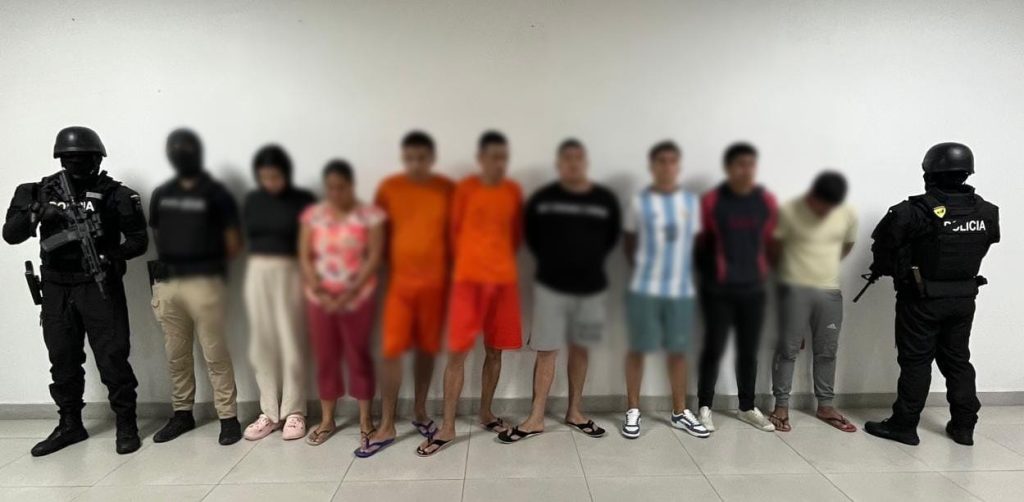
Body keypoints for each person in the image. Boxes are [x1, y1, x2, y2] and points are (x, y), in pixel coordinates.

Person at [3, 126, 148, 456]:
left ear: (98, 159)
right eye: (71, 159)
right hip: (56, 287)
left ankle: (126, 423)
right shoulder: (36, 191)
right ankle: (70, 424)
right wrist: (36, 213)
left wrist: (110, 256)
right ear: (60, 159)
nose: (78, 165)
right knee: (62, 358)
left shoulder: (116, 194)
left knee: (112, 357)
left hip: (98, 285)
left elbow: (139, 240)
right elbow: (10, 235)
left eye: (85, 159)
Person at [864, 143, 999, 446]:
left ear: (930, 173)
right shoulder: (986, 212)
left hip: (921, 299)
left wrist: (894, 268)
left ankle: (903, 425)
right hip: (963, 298)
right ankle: (964, 425)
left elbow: (884, 250)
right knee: (958, 361)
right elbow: (985, 243)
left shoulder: (912, 211)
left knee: (916, 361)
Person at [498, 138, 620, 444]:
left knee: (580, 348)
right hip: (550, 287)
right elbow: (532, 238)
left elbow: (610, 239)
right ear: (559, 164)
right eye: (567, 158)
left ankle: (575, 412)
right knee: (546, 351)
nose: (573, 163)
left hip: (591, 288)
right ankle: (535, 418)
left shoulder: (604, 199)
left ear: (585, 162)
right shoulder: (543, 199)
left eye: (578, 158)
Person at [417, 130, 523, 456]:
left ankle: (486, 412)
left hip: (503, 282)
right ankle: (448, 426)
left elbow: (515, 235)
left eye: (503, 157)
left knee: (495, 351)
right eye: (492, 156)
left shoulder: (513, 191)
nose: (498, 162)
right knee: (457, 354)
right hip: (467, 282)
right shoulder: (465, 189)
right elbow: (452, 234)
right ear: (481, 158)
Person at [149, 128, 244, 446]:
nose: (181, 155)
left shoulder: (216, 194)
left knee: (215, 355)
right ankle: (182, 414)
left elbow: (233, 243)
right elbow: (159, 237)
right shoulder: (161, 193)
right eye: (175, 149)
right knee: (176, 355)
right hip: (168, 284)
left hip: (205, 283)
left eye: (186, 149)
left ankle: (228, 417)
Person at [362, 131, 453, 456]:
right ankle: (387, 423)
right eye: (410, 158)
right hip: (399, 284)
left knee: (427, 349)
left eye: (422, 158)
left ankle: (420, 411)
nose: (416, 164)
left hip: (436, 285)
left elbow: (456, 234)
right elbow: (376, 236)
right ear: (404, 157)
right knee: (392, 351)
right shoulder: (389, 188)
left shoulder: (447, 188)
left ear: (431, 158)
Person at [620, 141, 709, 439]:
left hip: (680, 291)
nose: (667, 166)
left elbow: (694, 244)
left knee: (678, 351)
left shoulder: (690, 203)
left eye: (672, 161)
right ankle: (633, 409)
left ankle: (679, 411)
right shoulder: (638, 202)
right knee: (637, 348)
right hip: (644, 288)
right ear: (652, 166)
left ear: (678, 165)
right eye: (661, 161)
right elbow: (629, 244)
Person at [299, 160, 385, 452]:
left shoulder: (369, 216)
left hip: (358, 297)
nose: (336, 193)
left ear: (351, 185)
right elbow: (305, 257)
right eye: (331, 188)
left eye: (341, 187)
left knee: (358, 355)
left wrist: (349, 293)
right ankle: (327, 420)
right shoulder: (313, 216)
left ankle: (365, 421)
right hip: (320, 299)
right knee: (326, 357)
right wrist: (321, 291)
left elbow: (374, 257)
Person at [695, 142, 778, 432]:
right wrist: (710, 279)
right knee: (713, 349)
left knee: (748, 351)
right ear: (729, 167)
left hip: (753, 289)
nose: (746, 170)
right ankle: (704, 407)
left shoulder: (765, 200)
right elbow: (700, 243)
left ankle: (747, 407)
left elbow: (770, 241)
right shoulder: (712, 201)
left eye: (751, 164)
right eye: (741, 164)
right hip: (718, 290)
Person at [767, 171, 858, 433]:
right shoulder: (789, 212)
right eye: (821, 204)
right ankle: (781, 406)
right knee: (788, 349)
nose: (825, 210)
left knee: (827, 351)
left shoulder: (847, 214)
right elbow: (774, 251)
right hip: (794, 290)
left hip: (829, 292)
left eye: (831, 206)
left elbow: (846, 246)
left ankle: (825, 406)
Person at [241, 145, 316, 441]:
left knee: (292, 342)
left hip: (291, 270)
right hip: (258, 271)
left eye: (275, 176)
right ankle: (269, 413)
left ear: (286, 173)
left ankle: (295, 412)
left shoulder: (303, 200)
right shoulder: (253, 200)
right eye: (264, 177)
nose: (270, 182)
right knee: (262, 345)